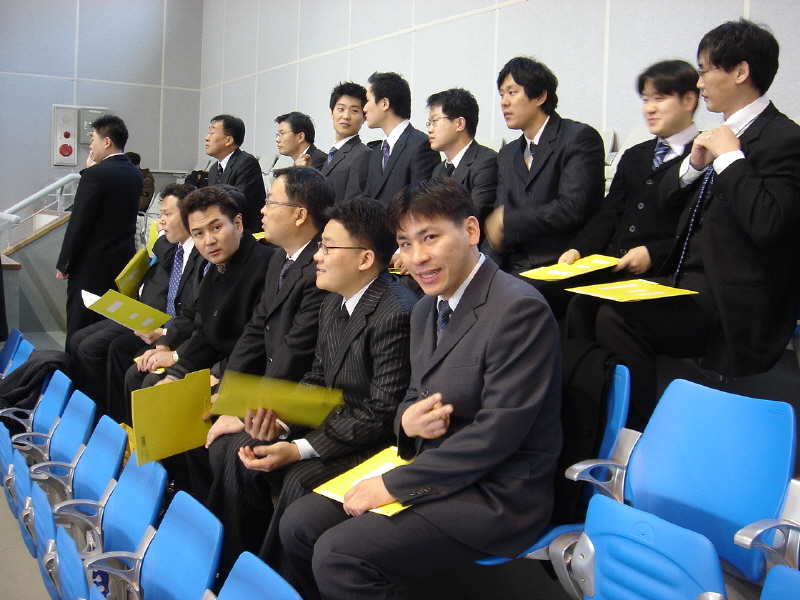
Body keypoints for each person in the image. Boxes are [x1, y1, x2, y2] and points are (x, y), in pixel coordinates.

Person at [280, 178, 562, 600]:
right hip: (434, 469)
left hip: (495, 493)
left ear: (471, 230)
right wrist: (407, 422)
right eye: (405, 243)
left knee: (339, 555)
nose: (417, 257)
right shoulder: (427, 308)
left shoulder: (518, 309)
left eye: (430, 238)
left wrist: (395, 484)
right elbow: (412, 397)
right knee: (298, 524)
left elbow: (497, 435)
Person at [565, 19, 800, 431]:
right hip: (683, 281)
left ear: (740, 71)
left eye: (706, 70)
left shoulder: (783, 138)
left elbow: (768, 223)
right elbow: (666, 203)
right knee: (584, 304)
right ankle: (588, 423)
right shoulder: (714, 137)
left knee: (619, 318)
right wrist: (693, 166)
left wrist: (731, 159)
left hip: (731, 298)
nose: (701, 81)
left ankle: (634, 433)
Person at [205, 197, 417, 582]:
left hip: (373, 441)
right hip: (335, 422)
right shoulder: (333, 301)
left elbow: (381, 414)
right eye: (320, 245)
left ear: (365, 259)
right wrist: (280, 422)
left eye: (328, 247)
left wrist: (299, 447)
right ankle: (223, 569)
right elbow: (318, 377)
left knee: (298, 481)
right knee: (242, 449)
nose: (317, 256)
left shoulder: (396, 312)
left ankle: (270, 586)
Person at [193, 166, 333, 501]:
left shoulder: (321, 265)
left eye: (271, 202)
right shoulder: (280, 259)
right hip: (271, 383)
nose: (263, 210)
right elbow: (256, 331)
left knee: (229, 448)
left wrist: (245, 408)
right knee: (196, 417)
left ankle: (235, 531)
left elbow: (296, 352)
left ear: (300, 215)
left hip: (303, 393)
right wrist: (229, 393)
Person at [122, 186, 272, 409]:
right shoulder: (214, 267)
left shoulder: (264, 266)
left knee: (161, 390)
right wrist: (176, 373)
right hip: (215, 359)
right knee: (144, 378)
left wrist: (218, 376)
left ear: (238, 224)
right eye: (198, 234)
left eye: (216, 228)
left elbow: (256, 342)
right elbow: (205, 330)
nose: (209, 240)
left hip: (244, 372)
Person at [69, 184, 201, 421]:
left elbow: (194, 313)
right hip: (155, 320)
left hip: (170, 328)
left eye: (167, 214)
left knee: (114, 355)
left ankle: (117, 420)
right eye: (160, 214)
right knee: (84, 340)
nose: (160, 222)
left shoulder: (197, 255)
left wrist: (165, 335)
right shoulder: (179, 248)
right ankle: (101, 416)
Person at [558, 60, 700, 276]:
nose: (649, 108)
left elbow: (701, 230)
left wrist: (654, 253)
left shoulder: (704, 155)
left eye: (659, 99)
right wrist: (578, 249)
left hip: (668, 273)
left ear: (689, 100)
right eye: (645, 100)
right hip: (613, 268)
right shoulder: (635, 155)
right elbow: (609, 213)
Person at [484, 57, 605, 274]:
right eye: (501, 95)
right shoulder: (508, 154)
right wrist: (481, 272)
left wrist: (508, 220)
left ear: (540, 96)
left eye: (512, 92)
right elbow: (497, 230)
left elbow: (572, 208)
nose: (504, 102)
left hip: (562, 263)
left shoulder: (578, 138)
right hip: (516, 267)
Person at [57, 114, 142, 347]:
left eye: (93, 139)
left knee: (79, 326)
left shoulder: (95, 175)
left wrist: (65, 263)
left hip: (90, 267)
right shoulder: (135, 174)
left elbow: (79, 222)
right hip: (120, 265)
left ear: (107, 141)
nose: (91, 146)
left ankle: (74, 367)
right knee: (105, 329)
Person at [362, 72, 440, 205]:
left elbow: (421, 203)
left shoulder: (420, 145)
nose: (364, 108)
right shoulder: (376, 153)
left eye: (368, 101)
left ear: (384, 103)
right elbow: (367, 200)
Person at [427, 87, 498, 233]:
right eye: (429, 123)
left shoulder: (486, 162)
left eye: (435, 121)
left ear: (459, 124)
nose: (430, 129)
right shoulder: (439, 170)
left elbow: (475, 215)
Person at [205, 114, 267, 232]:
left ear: (228, 140)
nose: (206, 138)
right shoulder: (213, 169)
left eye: (212, 133)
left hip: (246, 232)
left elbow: (237, 202)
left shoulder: (246, 162)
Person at [320, 82, 372, 202]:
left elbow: (353, 202)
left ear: (364, 117)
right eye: (341, 109)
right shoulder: (332, 153)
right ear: (331, 112)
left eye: (354, 111)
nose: (346, 116)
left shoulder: (363, 154)